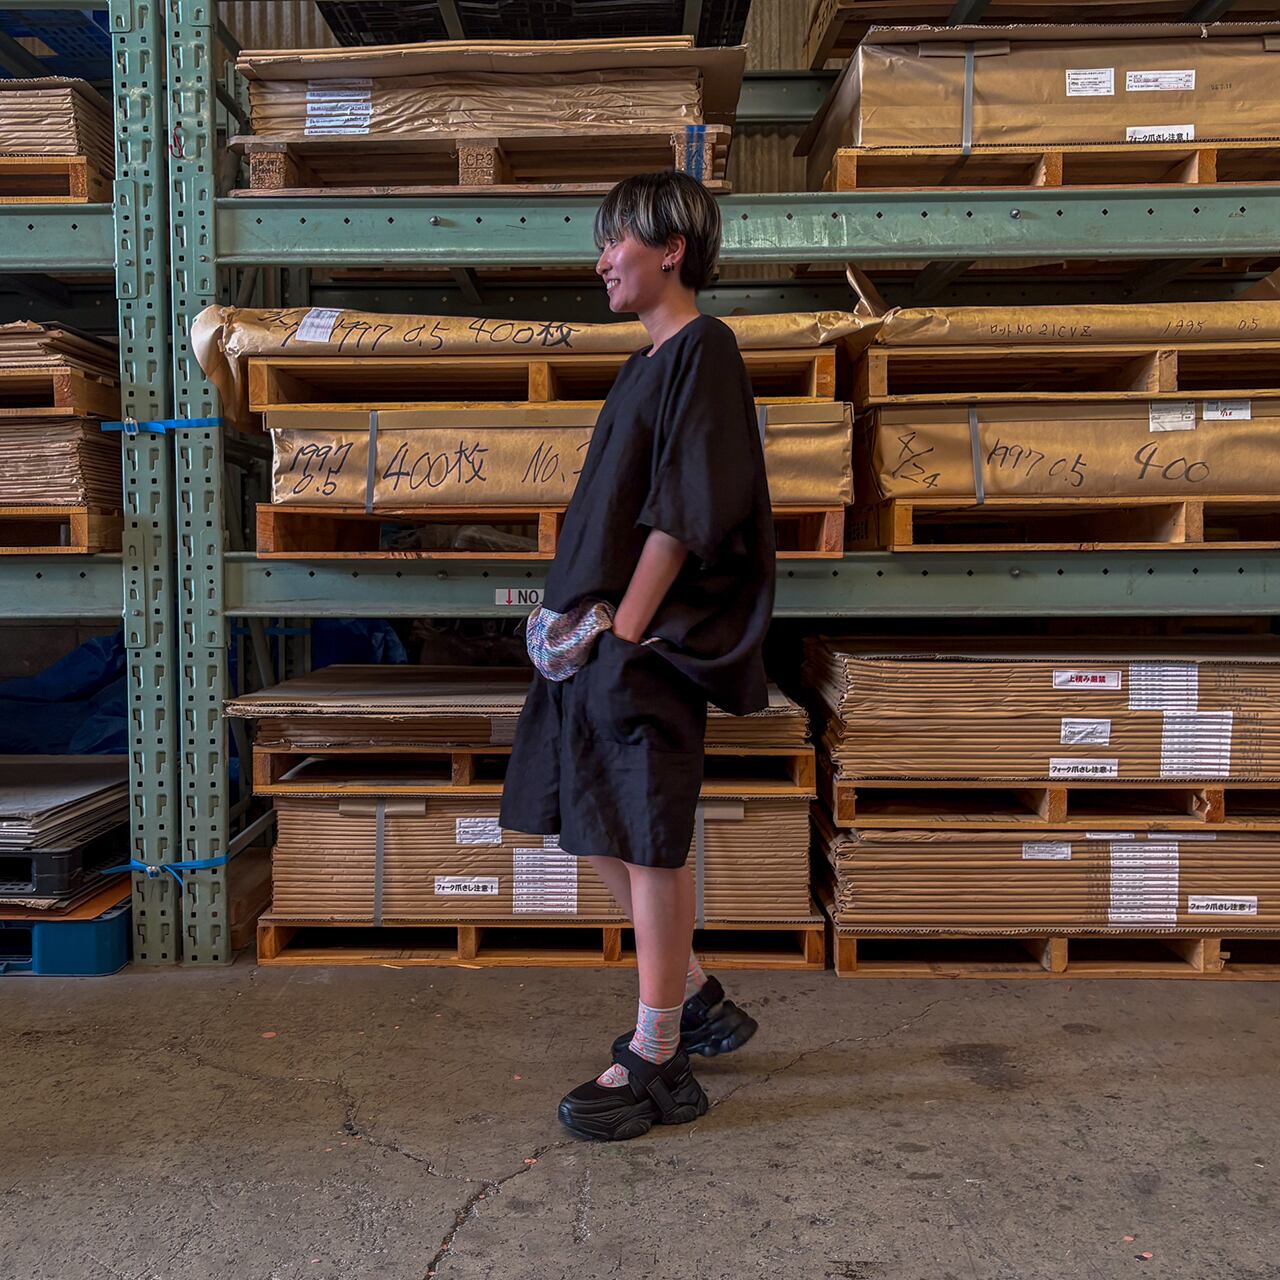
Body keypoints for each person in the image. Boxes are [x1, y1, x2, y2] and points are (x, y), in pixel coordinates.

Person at [499, 170, 776, 1142]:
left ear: (672, 248)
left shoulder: (705, 349)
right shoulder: (643, 363)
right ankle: (692, 996)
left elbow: (687, 509)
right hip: (594, 644)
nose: (601, 260)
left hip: (644, 645)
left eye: (615, 240)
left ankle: (660, 1058)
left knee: (648, 838)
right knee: (593, 821)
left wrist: (623, 632)